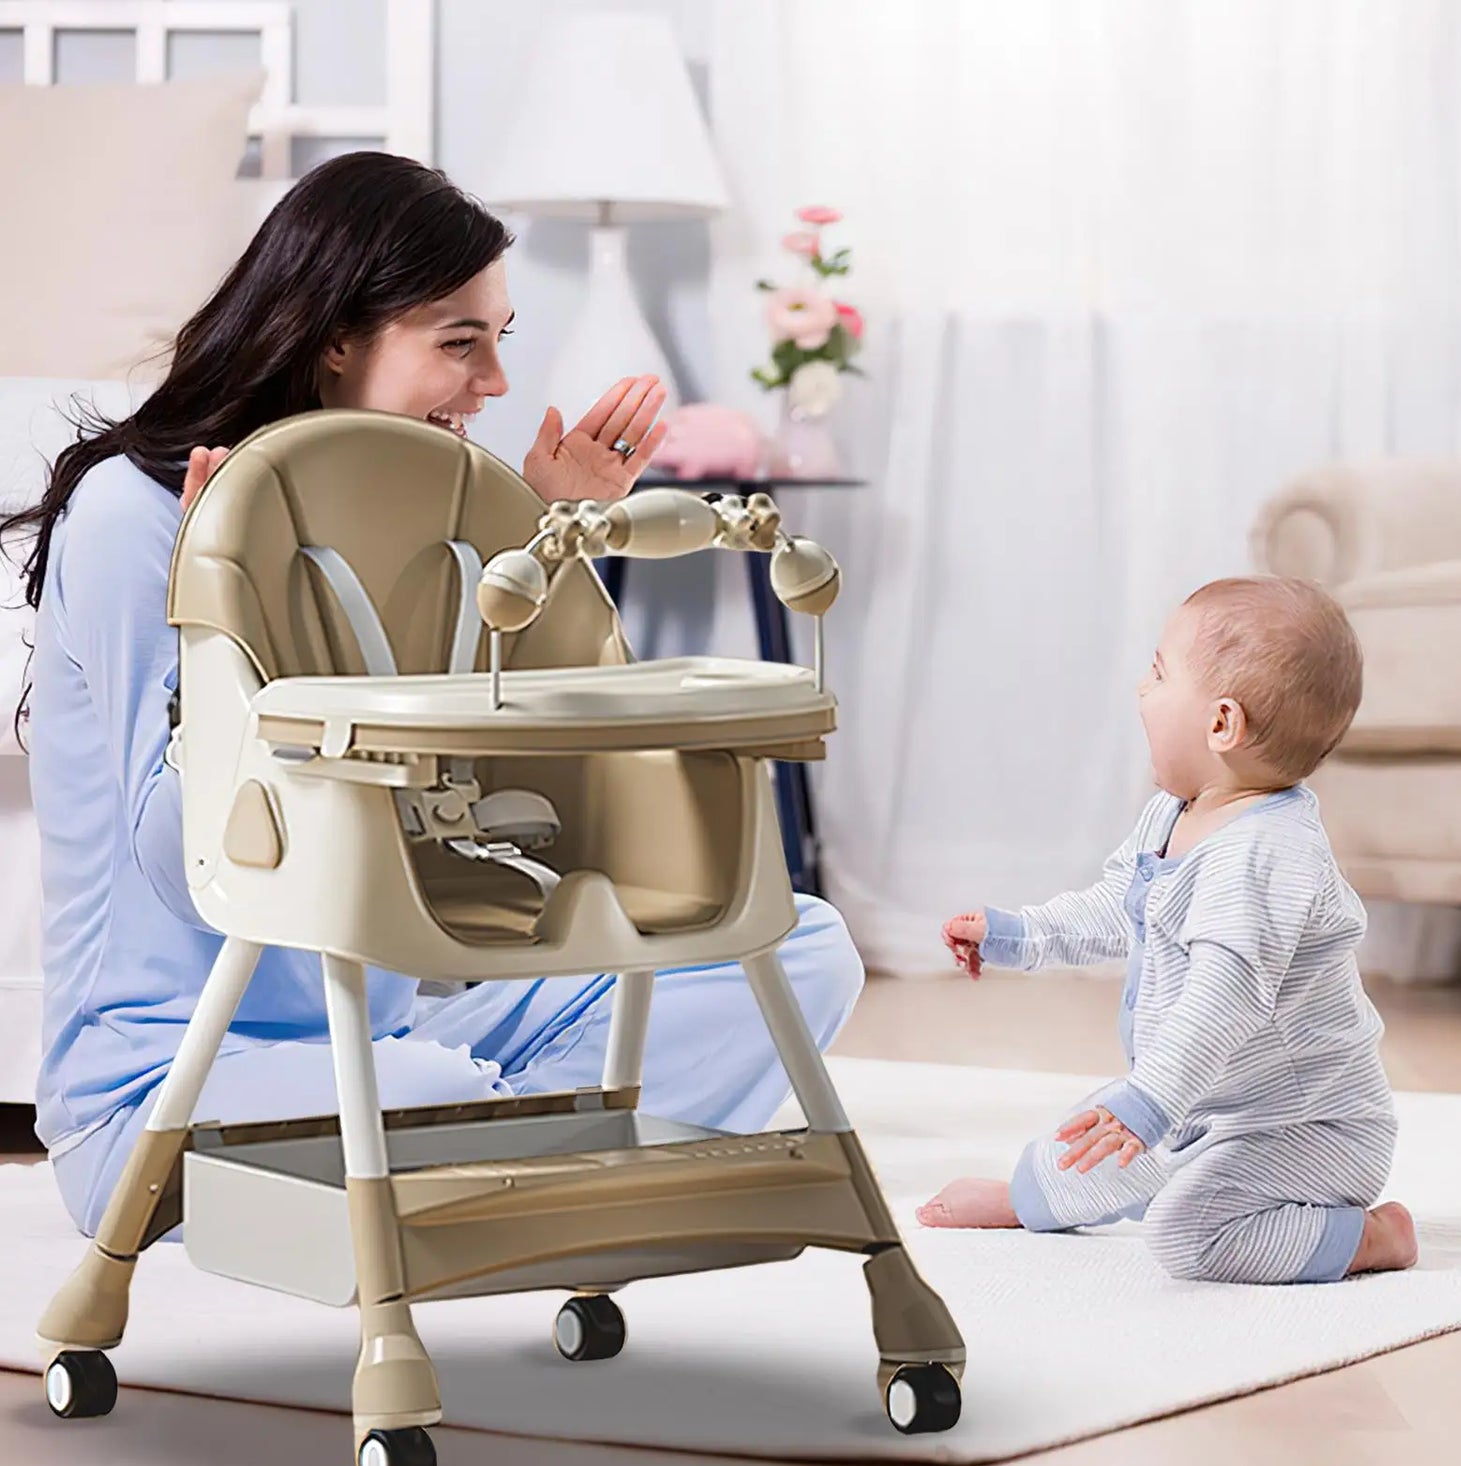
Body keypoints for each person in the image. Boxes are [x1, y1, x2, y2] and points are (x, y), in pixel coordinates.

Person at [0, 152, 863, 1238]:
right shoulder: (136, 514)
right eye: (459, 342)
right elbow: (193, 872)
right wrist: (225, 615)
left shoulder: (427, 519)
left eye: (501, 337)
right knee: (436, 1094)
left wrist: (536, 547)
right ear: (334, 337)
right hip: (167, 1084)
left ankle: (506, 1179)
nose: (496, 381)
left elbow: (530, 803)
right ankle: (533, 1173)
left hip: (390, 1035)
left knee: (799, 944)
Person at [920, 577, 1417, 1284]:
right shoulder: (1178, 813)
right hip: (1210, 1101)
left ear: (1221, 725)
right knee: (1090, 1134)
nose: (1140, 688)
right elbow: (1119, 908)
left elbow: (1223, 1004)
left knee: (1186, 1234)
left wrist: (1151, 1103)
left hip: (1306, 1128)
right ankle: (1029, 1200)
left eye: (1158, 672)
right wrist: (1018, 935)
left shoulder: (1265, 856)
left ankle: (1369, 1237)